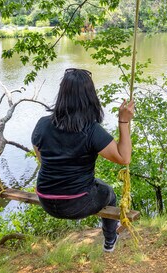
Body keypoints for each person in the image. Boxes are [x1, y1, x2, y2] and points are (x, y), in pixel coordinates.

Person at [31, 68, 135, 252]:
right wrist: (123, 122)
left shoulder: (42, 124)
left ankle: (110, 238)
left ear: (62, 94)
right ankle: (110, 239)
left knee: (94, 185)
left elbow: (40, 158)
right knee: (108, 192)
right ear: (90, 96)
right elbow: (124, 157)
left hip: (45, 198)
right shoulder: (91, 130)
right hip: (76, 204)